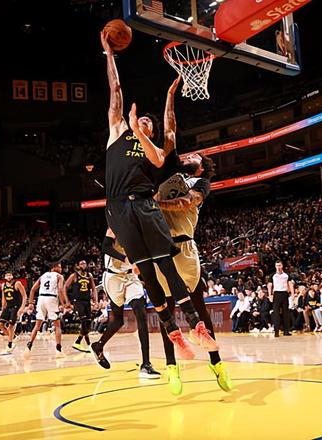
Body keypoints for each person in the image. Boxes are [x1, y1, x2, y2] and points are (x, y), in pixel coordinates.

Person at [100, 30, 216, 364]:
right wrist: (110, 54)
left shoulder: (155, 153)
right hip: (118, 207)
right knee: (146, 272)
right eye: (142, 119)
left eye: (149, 123)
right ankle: (173, 331)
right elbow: (115, 92)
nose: (145, 121)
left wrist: (155, 114)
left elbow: (168, 135)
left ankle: (195, 326)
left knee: (164, 263)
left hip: (145, 205)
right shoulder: (117, 132)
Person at [152, 76, 231, 393]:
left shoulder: (201, 183)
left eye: (194, 156)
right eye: (188, 155)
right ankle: (172, 368)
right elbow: (170, 131)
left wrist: (154, 203)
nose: (188, 156)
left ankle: (217, 363)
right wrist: (170, 95)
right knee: (166, 314)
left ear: (201, 167)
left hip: (185, 250)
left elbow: (188, 202)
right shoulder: (170, 169)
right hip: (161, 249)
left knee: (199, 309)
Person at [89, 229, 160, 379]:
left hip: (131, 277)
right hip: (113, 277)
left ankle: (146, 364)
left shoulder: (139, 229)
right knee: (118, 320)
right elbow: (106, 247)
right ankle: (98, 346)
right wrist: (128, 259)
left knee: (141, 312)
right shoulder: (114, 226)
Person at [24, 262, 70, 357]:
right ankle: (58, 350)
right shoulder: (59, 276)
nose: (61, 269)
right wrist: (63, 304)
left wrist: (31, 303)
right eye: (60, 267)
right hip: (51, 299)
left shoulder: (43, 275)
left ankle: (28, 346)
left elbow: (32, 289)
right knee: (57, 325)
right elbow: (60, 290)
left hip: (41, 299)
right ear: (54, 268)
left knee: (37, 325)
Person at [64, 260, 98, 353]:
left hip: (87, 301)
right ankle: (82, 342)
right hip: (78, 301)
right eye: (82, 263)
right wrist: (67, 301)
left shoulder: (89, 275)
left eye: (85, 263)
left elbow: (94, 289)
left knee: (88, 322)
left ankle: (84, 343)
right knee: (84, 321)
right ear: (78, 266)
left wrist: (96, 301)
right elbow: (65, 287)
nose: (84, 265)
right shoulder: (74, 275)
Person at [0, 272, 26, 354]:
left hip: (16, 307)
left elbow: (24, 296)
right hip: (8, 306)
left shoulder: (17, 283)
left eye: (10, 275)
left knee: (10, 326)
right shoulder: (3, 285)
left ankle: (10, 345)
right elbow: (3, 298)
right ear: (5, 277)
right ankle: (13, 337)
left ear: (12, 276)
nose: (9, 276)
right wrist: (2, 309)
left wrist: (22, 308)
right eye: (7, 275)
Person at [268, 261, 294, 337]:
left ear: (282, 266)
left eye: (279, 265)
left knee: (286, 313)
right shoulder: (272, 275)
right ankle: (276, 331)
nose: (278, 267)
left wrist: (292, 294)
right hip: (276, 294)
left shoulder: (286, 275)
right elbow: (269, 285)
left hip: (284, 294)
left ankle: (286, 331)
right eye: (277, 265)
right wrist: (270, 295)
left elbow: (290, 284)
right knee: (276, 313)